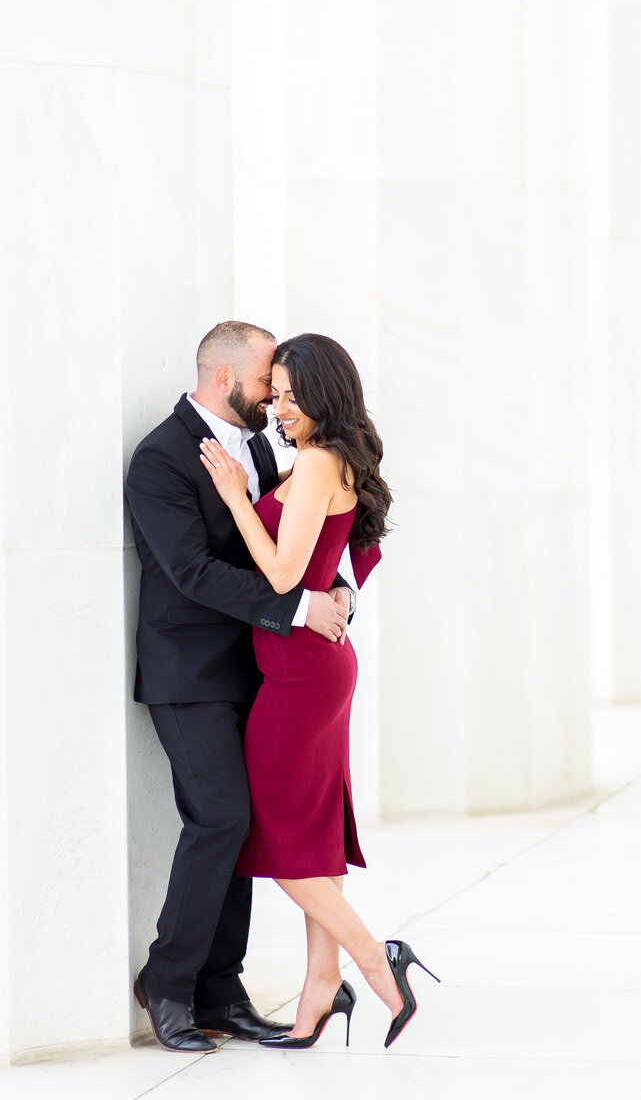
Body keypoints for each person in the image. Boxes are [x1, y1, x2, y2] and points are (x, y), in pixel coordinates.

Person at [199, 332, 439, 1051]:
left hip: (302, 670)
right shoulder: (324, 460)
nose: (279, 405)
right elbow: (357, 550)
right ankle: (317, 993)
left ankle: (377, 961)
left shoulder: (318, 462)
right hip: (310, 663)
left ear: (324, 397)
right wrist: (337, 589)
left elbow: (279, 574)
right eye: (274, 390)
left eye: (294, 395)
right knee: (311, 834)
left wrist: (239, 501)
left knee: (277, 838)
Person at [126, 321, 353, 1054]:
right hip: (187, 674)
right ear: (226, 380)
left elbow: (300, 539)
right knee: (221, 816)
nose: (276, 398)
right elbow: (190, 572)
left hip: (263, 670)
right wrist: (295, 605)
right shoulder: (159, 459)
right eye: (268, 384)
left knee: (247, 823)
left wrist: (338, 588)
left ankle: (221, 989)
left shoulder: (263, 449)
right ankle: (167, 981)